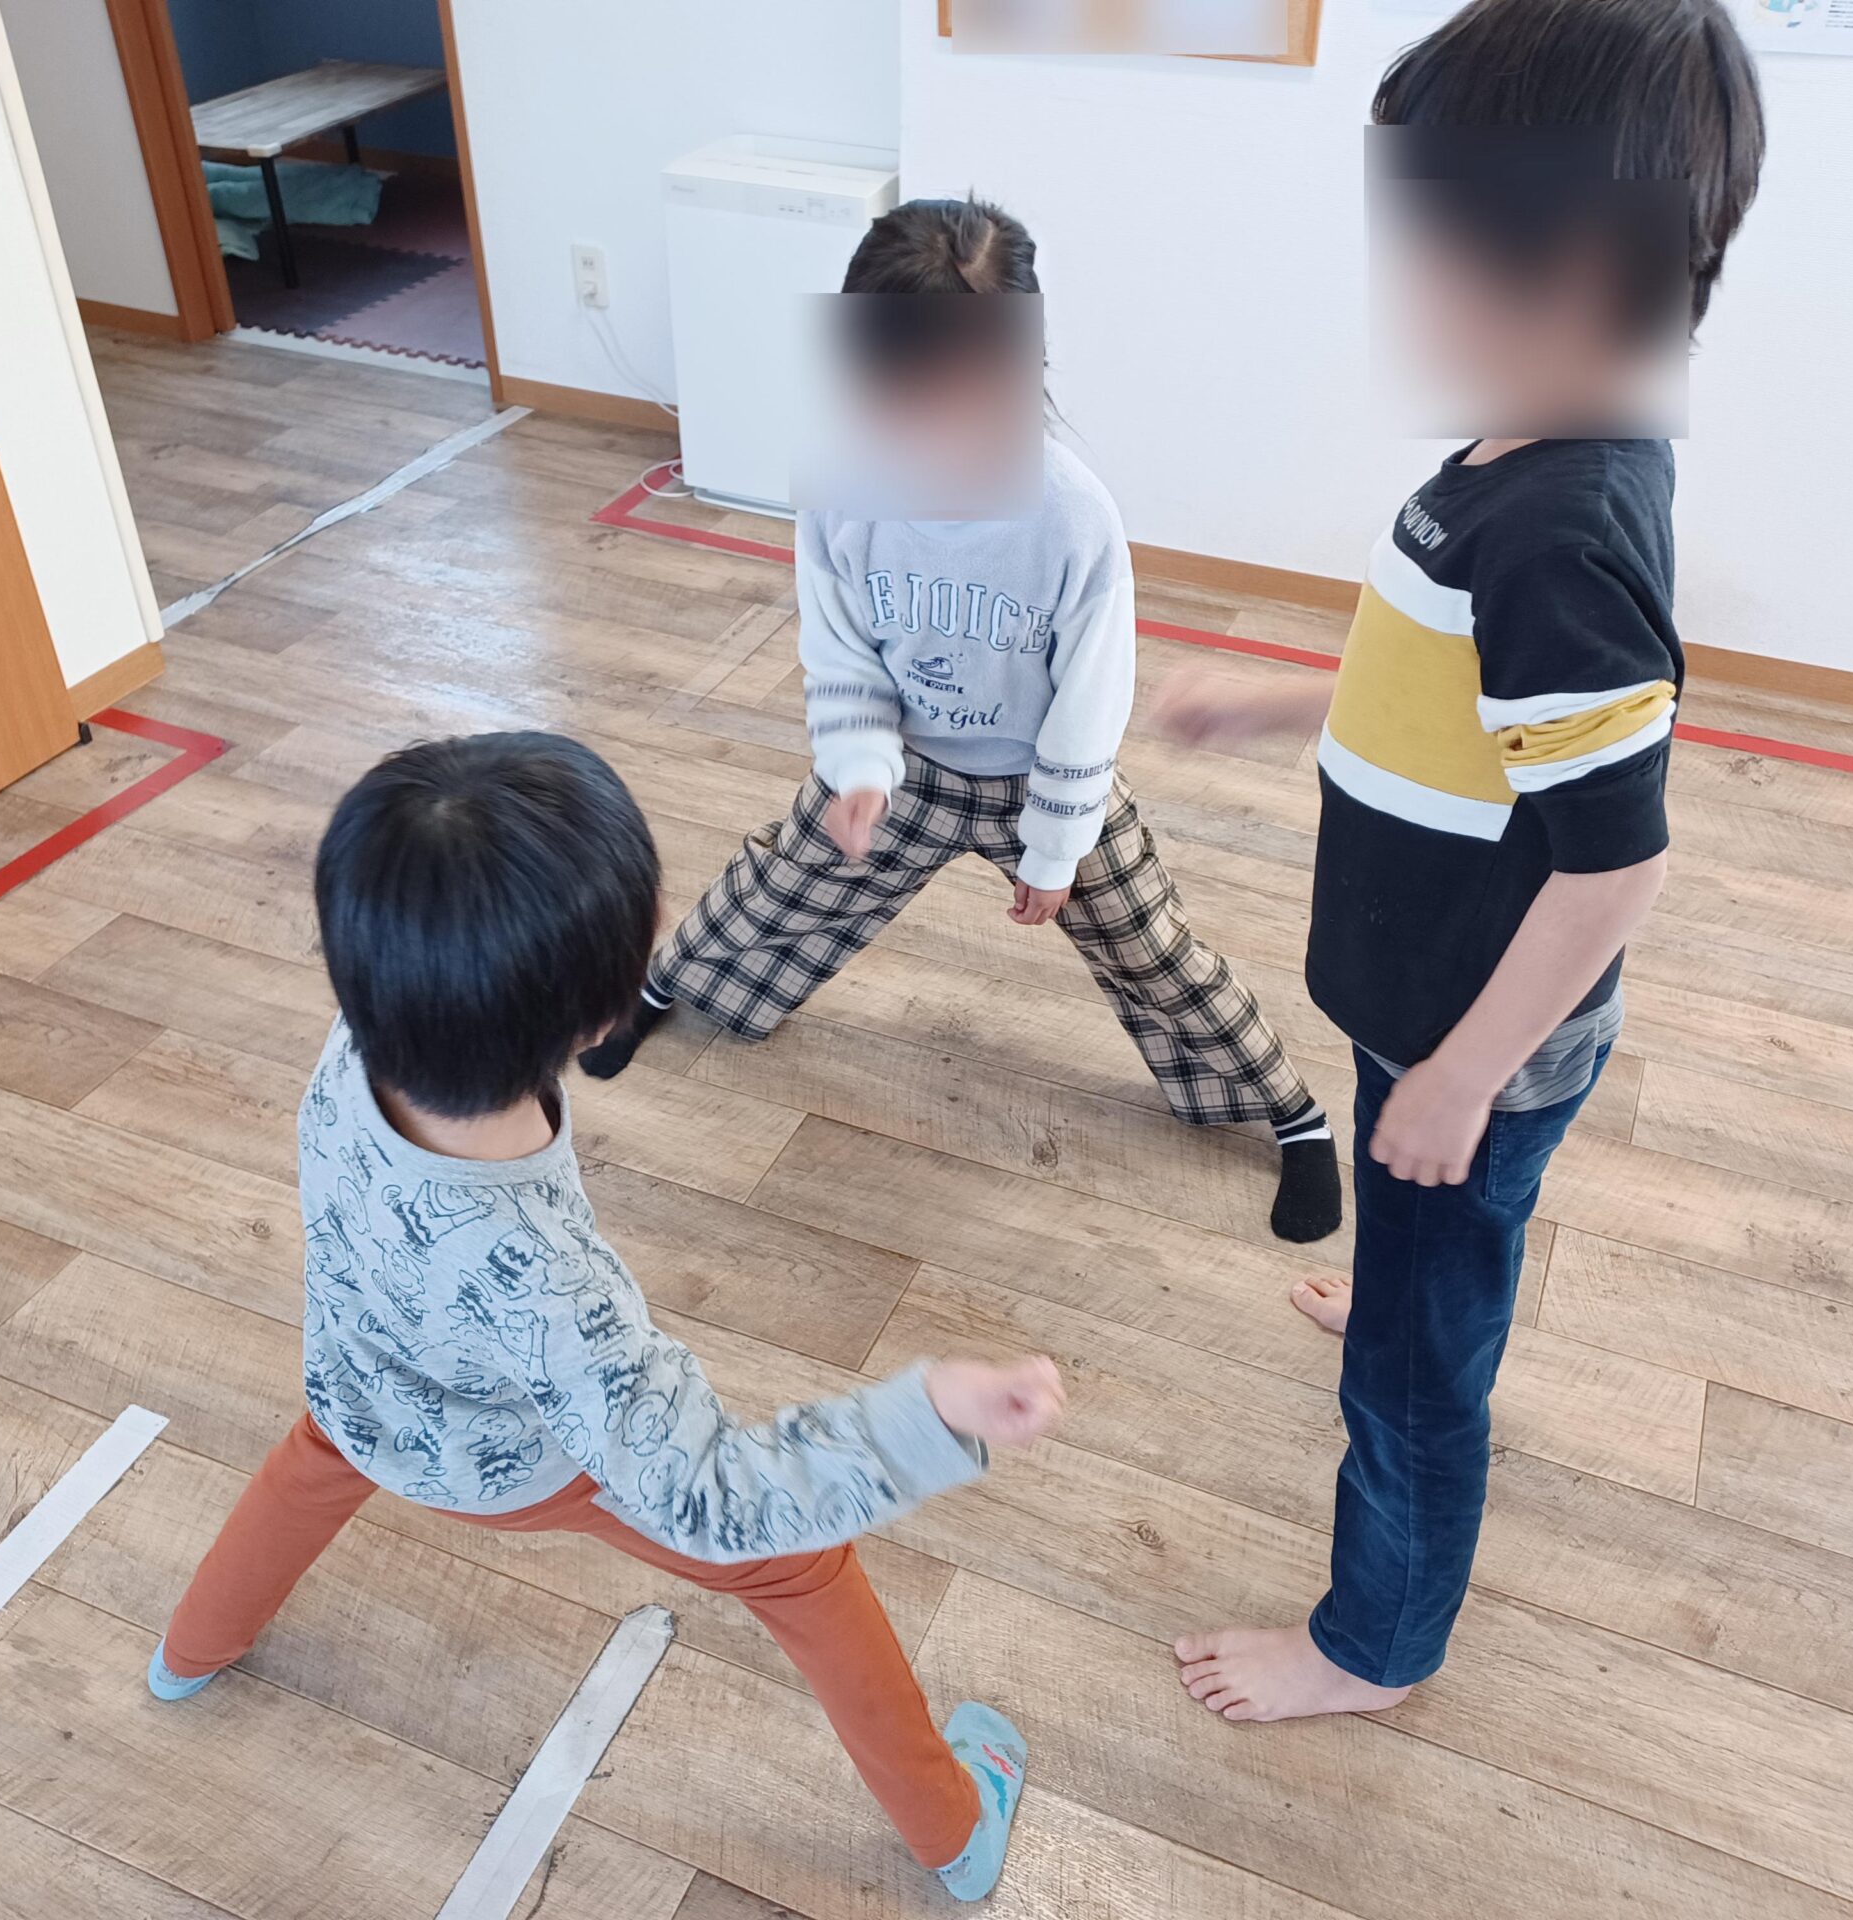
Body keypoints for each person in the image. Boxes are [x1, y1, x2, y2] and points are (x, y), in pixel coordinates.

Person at [146, 732, 1065, 1903]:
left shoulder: (365, 1033)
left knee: (315, 1460)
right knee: (799, 1568)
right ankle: (954, 1826)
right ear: (595, 1021)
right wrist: (925, 1416)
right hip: (518, 1462)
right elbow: (712, 1498)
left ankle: (190, 1652)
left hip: (362, 1386)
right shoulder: (550, 1288)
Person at [1159, 0, 1765, 1719]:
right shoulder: (1522, 447)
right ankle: (1408, 1266)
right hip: (1428, 997)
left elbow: (1616, 868)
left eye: (1435, 243)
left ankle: (1375, 1645)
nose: (1403, 285)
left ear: (1576, 266)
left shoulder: (1564, 529)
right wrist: (1283, 705)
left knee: (1413, 1380)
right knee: (1427, 1245)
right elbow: (1457, 689)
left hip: (1469, 1030)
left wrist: (1462, 1078)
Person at [576, 197, 1344, 1246]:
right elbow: (841, 647)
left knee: (1153, 951)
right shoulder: (842, 486)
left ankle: (1292, 1115)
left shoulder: (1072, 516)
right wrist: (857, 767)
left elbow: (1091, 701)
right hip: (905, 766)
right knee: (776, 888)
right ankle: (663, 990)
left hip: (1042, 776)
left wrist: (1056, 848)